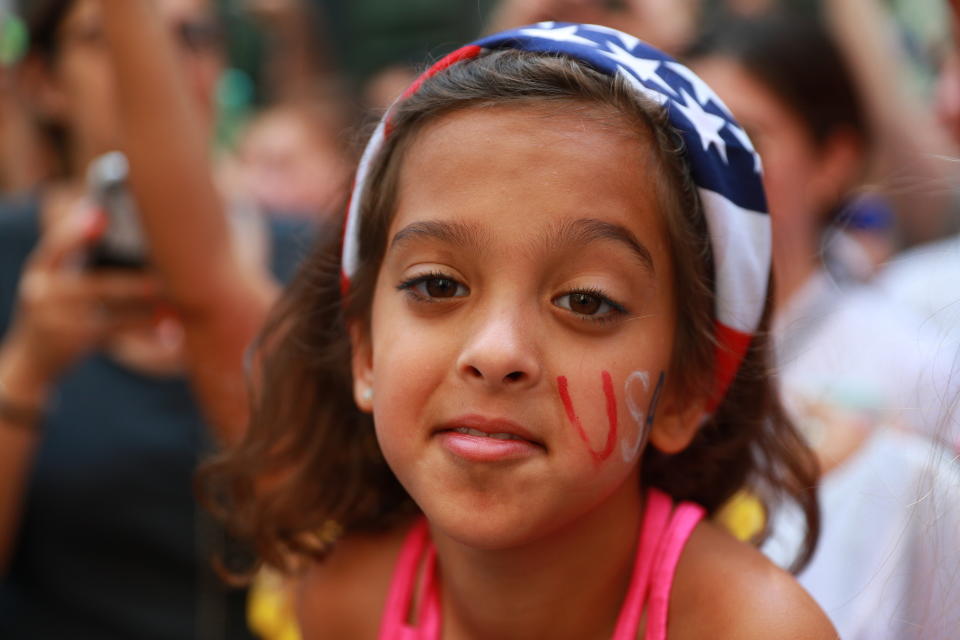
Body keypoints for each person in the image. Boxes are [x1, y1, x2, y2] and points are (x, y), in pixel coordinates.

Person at [202, 22, 837, 639]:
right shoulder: (343, 602)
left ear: (688, 388)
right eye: (437, 285)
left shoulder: (754, 630)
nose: (496, 351)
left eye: (587, 301)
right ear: (364, 352)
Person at [0, 0, 314, 636]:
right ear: (46, 82)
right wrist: (25, 372)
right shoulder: (9, 255)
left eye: (195, 36)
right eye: (112, 37)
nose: (165, 65)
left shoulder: (305, 258)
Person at [690, 12, 960, 638]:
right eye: (685, 140)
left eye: (744, 138)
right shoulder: (638, 355)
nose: (708, 170)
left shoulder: (912, 360)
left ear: (833, 160)